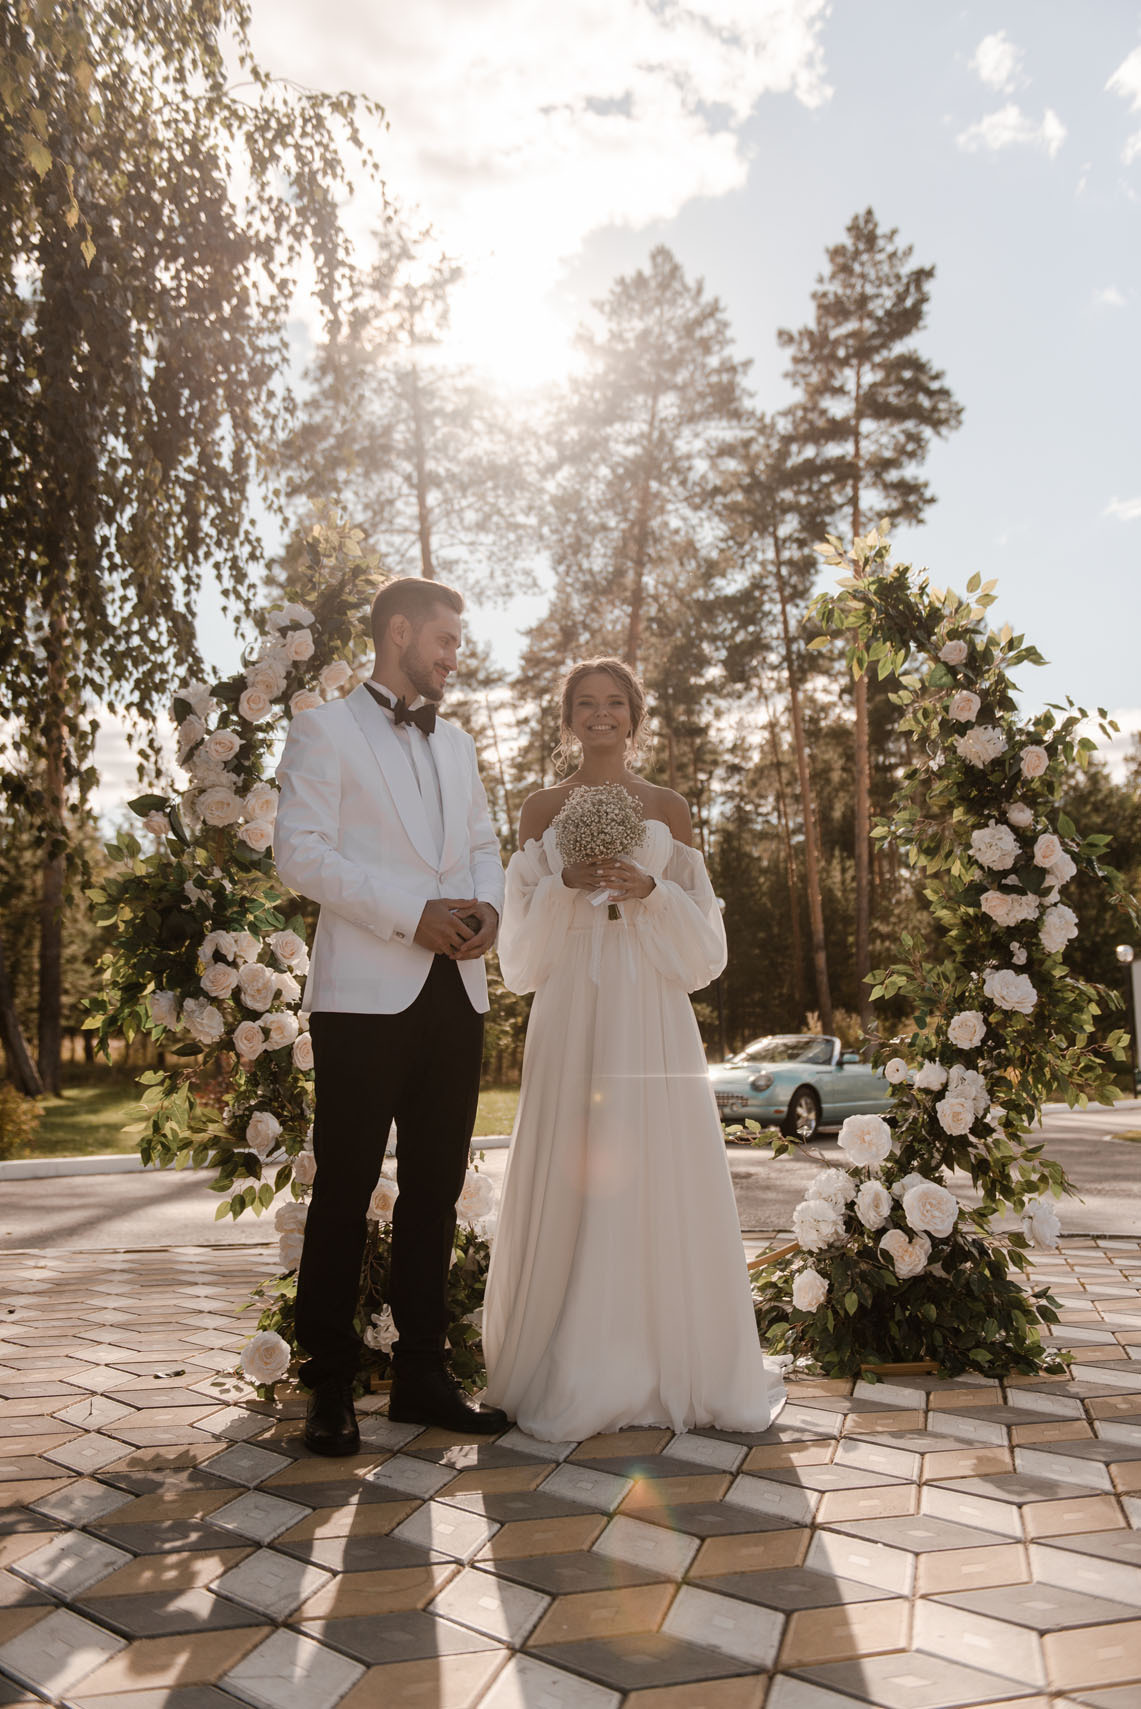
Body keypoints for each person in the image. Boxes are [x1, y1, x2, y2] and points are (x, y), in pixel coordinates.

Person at [483, 658, 786, 1442]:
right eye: (584, 703)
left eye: (613, 702)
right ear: (566, 717)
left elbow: (706, 947)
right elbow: (518, 950)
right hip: (571, 1004)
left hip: (649, 1005)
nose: (600, 714)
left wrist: (651, 893)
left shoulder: (669, 807)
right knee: (572, 1162)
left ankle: (664, 1362)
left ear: (635, 713)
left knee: (654, 1166)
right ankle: (568, 1362)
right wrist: (563, 882)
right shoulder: (539, 808)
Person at [274, 577, 508, 1454]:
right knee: (342, 1190)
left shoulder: (458, 745)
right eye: (445, 638)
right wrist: (408, 913)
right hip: (365, 994)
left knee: (435, 1191)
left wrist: (487, 912)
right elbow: (300, 854)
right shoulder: (323, 729)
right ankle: (327, 1386)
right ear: (399, 631)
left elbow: (483, 846)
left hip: (456, 992)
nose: (454, 655)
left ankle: (422, 1374)